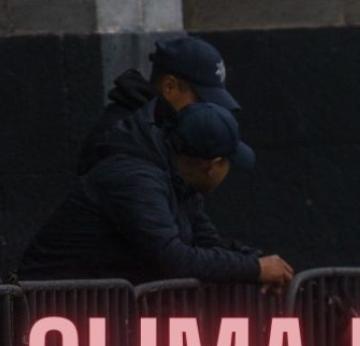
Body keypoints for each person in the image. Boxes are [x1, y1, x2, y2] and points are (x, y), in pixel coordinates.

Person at [19, 101, 292, 288]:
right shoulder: (136, 180)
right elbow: (173, 259)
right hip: (49, 315)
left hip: (85, 310)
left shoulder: (178, 181)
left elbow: (208, 244)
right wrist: (254, 269)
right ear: (212, 165)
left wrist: (259, 265)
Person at [78, 36, 239, 175]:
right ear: (169, 87)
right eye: (201, 101)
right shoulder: (121, 136)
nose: (208, 111)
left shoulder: (166, 131)